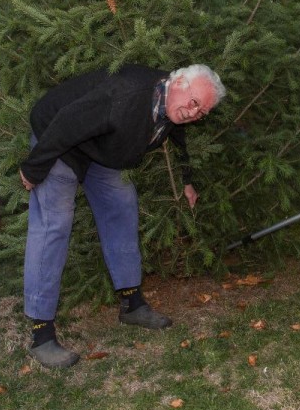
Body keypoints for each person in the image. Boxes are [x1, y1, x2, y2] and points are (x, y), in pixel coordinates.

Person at [18, 63, 226, 369]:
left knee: (122, 205)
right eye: (194, 103)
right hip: (58, 141)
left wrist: (186, 178)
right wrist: (34, 167)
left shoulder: (172, 104)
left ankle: (132, 304)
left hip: (99, 148)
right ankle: (41, 335)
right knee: (53, 225)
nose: (194, 113)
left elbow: (177, 133)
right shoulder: (125, 96)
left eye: (202, 112)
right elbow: (67, 122)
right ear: (178, 81)